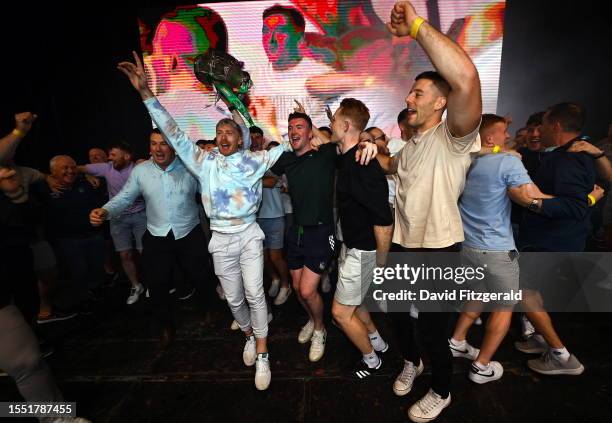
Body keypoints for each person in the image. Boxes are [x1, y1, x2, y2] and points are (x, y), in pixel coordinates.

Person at [118, 50, 296, 391]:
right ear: (215, 139)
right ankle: (248, 334)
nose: (225, 136)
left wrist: (308, 130)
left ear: (241, 138)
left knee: (256, 294)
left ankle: (262, 351)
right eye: (220, 132)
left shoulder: (255, 160)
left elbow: (291, 144)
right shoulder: (203, 162)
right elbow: (171, 129)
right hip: (220, 237)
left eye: (231, 131)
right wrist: (144, 92)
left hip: (248, 235)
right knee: (233, 298)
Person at [374, 2, 482, 421]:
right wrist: (374, 149)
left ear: (441, 104)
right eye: (410, 91)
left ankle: (441, 389)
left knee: (435, 331)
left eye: (418, 93)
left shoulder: (453, 136)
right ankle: (411, 362)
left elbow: (466, 77)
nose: (408, 98)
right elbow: (393, 167)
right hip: (404, 245)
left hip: (439, 248)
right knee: (399, 317)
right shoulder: (411, 145)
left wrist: (416, 27)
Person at [450, 114, 549, 384]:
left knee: (478, 292)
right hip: (497, 249)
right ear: (490, 137)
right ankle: (481, 366)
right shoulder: (507, 161)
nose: (508, 137)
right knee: (505, 307)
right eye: (504, 132)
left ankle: (457, 340)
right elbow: (535, 197)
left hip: (468, 247)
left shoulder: (464, 161)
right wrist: (586, 200)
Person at [90, 129, 210, 348]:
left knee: (201, 276)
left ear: (173, 147)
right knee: (157, 284)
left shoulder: (189, 168)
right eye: (154, 144)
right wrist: (105, 211)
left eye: (164, 144)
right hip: (157, 235)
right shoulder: (141, 171)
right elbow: (125, 197)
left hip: (189, 233)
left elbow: (210, 192)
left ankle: (207, 311)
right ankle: (165, 327)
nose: (158, 148)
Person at [517, 103, 609, 376]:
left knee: (523, 293)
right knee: (534, 292)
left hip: (552, 241)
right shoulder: (567, 153)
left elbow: (576, 207)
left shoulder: (568, 158)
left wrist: (531, 203)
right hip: (554, 240)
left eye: (542, 124)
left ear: (555, 126)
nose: (538, 130)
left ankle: (561, 356)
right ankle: (541, 338)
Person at [328, 98, 393, 380]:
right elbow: (322, 138)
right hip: (351, 245)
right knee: (356, 302)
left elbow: (384, 221)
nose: (330, 126)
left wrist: (381, 264)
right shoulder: (347, 154)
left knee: (341, 313)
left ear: (345, 125)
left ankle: (372, 361)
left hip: (364, 250)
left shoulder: (363, 165)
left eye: (334, 121)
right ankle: (378, 341)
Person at [79, 142, 147, 305]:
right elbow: (75, 168)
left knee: (144, 251)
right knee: (124, 254)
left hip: (140, 215)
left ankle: (151, 282)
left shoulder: (138, 169)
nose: (109, 158)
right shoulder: (106, 168)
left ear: (127, 156)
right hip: (117, 217)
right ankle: (136, 285)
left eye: (113, 155)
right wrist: (87, 175)